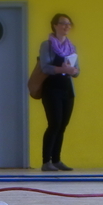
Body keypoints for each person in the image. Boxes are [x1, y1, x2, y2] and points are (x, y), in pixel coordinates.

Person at [36, 13, 80, 172]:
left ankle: (56, 159)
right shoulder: (47, 45)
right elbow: (45, 67)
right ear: (55, 25)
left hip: (67, 90)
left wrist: (73, 71)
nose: (66, 26)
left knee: (62, 125)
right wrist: (62, 69)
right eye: (63, 23)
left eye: (69, 24)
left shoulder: (71, 47)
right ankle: (46, 161)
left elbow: (77, 71)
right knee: (54, 124)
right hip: (51, 89)